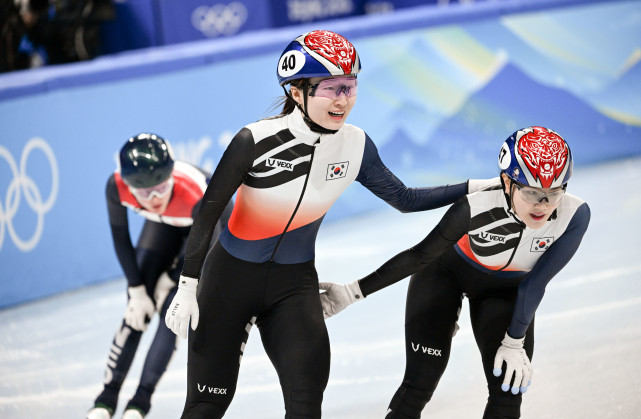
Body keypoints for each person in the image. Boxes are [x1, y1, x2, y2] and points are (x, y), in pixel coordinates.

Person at [163, 29, 493, 419]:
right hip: (227, 283)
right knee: (206, 405)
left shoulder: (355, 145)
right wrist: (188, 284)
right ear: (296, 92)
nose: (343, 100)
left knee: (306, 407)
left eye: (350, 86)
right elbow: (208, 211)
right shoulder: (255, 139)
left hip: (293, 288)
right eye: (332, 88)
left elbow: (403, 199)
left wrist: (473, 187)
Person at [319, 126, 591, 418]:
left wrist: (514, 341)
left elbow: (535, 284)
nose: (544, 206)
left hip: (506, 291)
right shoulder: (475, 205)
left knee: (508, 394)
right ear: (507, 182)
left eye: (554, 193)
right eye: (532, 193)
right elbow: (420, 256)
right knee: (419, 384)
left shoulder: (574, 216)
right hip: (443, 275)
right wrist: (352, 292)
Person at [86, 133, 232, 419]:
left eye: (160, 188)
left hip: (205, 233)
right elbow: (120, 237)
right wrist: (136, 289)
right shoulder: (116, 186)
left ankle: (140, 402)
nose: (153, 199)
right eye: (143, 194)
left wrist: (179, 282)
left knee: (173, 314)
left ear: (172, 178)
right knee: (135, 312)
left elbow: (208, 255)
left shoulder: (197, 192)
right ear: (129, 186)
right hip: (164, 228)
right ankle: (107, 396)